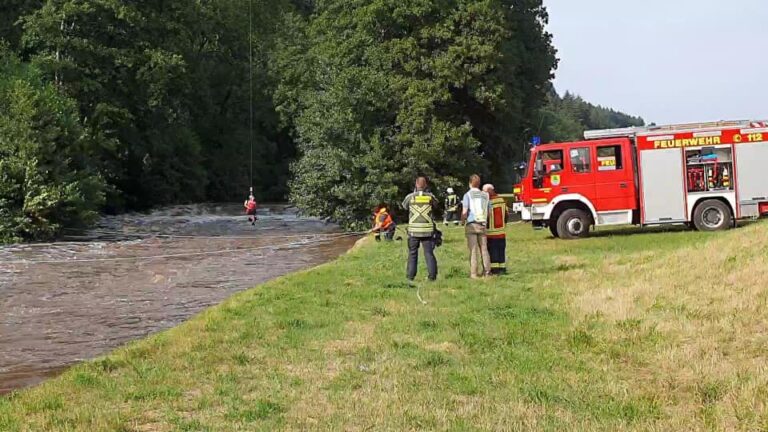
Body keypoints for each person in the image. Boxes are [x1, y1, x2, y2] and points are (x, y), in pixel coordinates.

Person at [402, 177, 438, 282]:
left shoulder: (410, 197)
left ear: (416, 184)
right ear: (426, 185)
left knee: (412, 253)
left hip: (413, 230)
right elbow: (436, 205)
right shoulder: (430, 197)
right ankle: (432, 276)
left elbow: (404, 206)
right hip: (427, 230)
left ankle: (410, 276)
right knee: (429, 253)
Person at [462, 174, 492, 279]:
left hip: (471, 224)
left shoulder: (467, 195)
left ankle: (474, 274)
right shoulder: (485, 195)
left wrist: (462, 220)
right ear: (479, 184)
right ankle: (487, 272)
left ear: (470, 183)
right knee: (484, 249)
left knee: (473, 250)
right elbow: (489, 213)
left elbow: (465, 212)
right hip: (482, 224)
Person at [483, 184, 508, 275]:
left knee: (493, 252)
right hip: (501, 232)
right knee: (501, 251)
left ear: (489, 191)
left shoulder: (488, 202)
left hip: (491, 233)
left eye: (485, 192)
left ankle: (495, 270)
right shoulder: (501, 200)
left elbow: (485, 216)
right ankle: (503, 268)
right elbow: (506, 214)